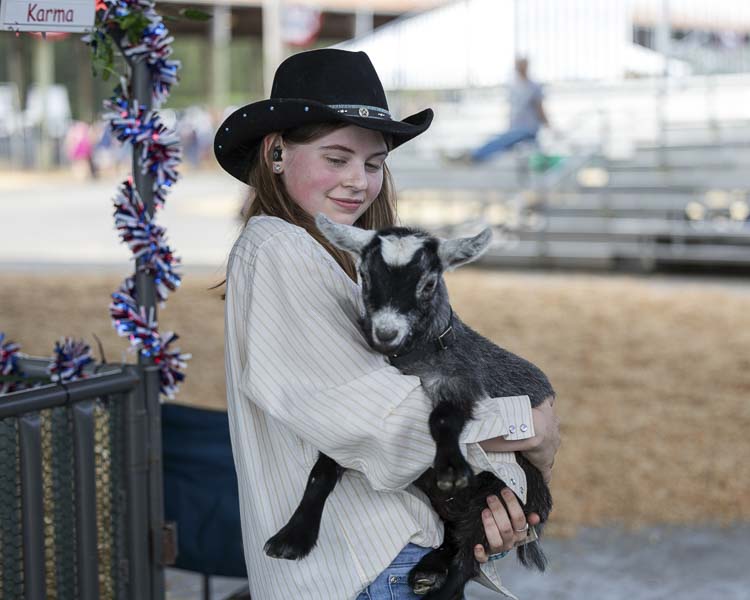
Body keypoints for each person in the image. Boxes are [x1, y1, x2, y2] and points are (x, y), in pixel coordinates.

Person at [216, 49, 560, 600]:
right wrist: (530, 427)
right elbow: (376, 421)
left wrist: (507, 494)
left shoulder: (352, 265)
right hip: (364, 567)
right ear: (276, 152)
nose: (358, 180)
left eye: (373, 163)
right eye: (336, 158)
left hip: (391, 563)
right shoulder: (277, 248)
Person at [466, 57, 549, 163]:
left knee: (501, 142)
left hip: (527, 129)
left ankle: (475, 155)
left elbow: (540, 109)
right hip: (516, 128)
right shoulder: (515, 86)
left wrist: (549, 126)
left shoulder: (532, 87)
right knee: (500, 141)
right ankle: (474, 154)